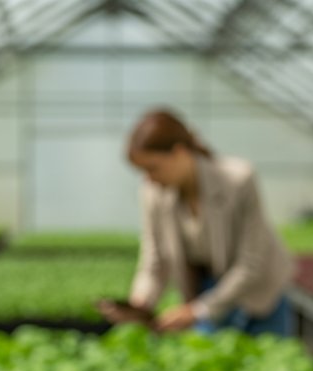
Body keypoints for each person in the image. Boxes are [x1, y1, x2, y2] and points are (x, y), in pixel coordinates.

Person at [102, 109, 296, 335]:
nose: (149, 178)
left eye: (153, 167)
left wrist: (197, 311)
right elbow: (154, 260)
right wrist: (139, 306)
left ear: (179, 151)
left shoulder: (238, 179)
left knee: (267, 358)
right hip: (208, 287)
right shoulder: (153, 192)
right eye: (142, 171)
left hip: (260, 291)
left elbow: (250, 263)